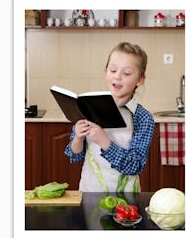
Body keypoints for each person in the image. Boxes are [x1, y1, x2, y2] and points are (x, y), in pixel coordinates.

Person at [65, 42, 155, 192]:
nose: (118, 77)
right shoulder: (89, 108)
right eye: (113, 70)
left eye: (126, 73)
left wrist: (104, 141)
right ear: (106, 72)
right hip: (89, 193)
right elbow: (74, 157)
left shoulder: (143, 118)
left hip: (126, 199)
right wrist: (78, 138)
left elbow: (135, 166)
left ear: (140, 80)